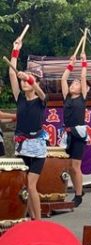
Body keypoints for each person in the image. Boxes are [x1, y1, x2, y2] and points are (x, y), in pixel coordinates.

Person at [9, 38, 48, 220]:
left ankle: (38, 222)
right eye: (22, 81)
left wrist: (30, 78)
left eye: (27, 81)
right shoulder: (20, 98)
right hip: (22, 145)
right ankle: (32, 218)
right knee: (25, 185)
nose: (23, 83)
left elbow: (40, 91)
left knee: (32, 185)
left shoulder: (41, 99)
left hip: (38, 146)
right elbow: (11, 72)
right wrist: (15, 51)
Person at [60, 53, 88, 207]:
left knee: (75, 166)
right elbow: (63, 78)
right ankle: (80, 189)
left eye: (76, 84)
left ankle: (78, 196)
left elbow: (83, 78)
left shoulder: (82, 98)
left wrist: (84, 62)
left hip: (79, 134)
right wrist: (71, 64)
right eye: (73, 83)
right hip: (67, 134)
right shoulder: (67, 98)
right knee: (69, 166)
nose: (73, 84)